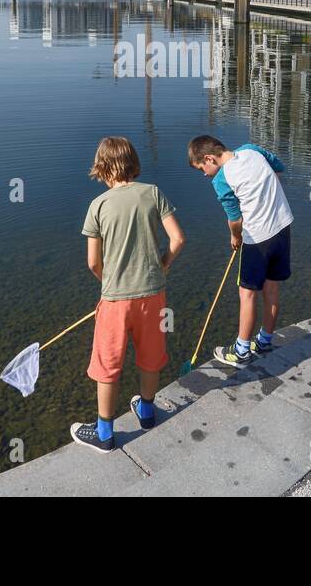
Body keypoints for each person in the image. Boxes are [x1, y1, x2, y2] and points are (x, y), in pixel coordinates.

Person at [70, 137, 185, 453]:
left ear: (102, 167)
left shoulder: (99, 205)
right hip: (153, 296)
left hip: (116, 300)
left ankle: (105, 434)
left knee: (107, 364)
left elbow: (93, 262)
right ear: (133, 162)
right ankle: (146, 412)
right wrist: (162, 266)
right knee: (150, 356)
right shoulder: (153, 193)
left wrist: (109, 282)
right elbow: (178, 238)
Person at [187, 135, 293, 368]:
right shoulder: (251, 149)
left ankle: (242, 350)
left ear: (209, 158)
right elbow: (278, 168)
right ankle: (265, 340)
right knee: (272, 288)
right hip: (283, 226)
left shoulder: (222, 179)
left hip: (257, 239)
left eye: (201, 168)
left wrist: (235, 237)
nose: (204, 174)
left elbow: (234, 220)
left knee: (247, 293)